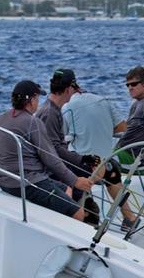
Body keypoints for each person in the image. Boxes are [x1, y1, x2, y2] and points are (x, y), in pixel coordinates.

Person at [0, 80, 94, 222]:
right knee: (79, 213)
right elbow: (51, 160)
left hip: (5, 181)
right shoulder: (33, 123)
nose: (38, 102)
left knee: (67, 189)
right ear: (31, 100)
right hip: (29, 183)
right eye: (37, 98)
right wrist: (76, 180)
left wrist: (2, 156)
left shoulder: (0, 118)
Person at [60, 71, 139, 230]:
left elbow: (60, 137)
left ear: (66, 90)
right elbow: (122, 128)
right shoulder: (103, 101)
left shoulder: (67, 107)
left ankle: (81, 220)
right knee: (111, 171)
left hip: (84, 168)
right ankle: (129, 218)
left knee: (65, 170)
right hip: (106, 165)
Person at [35, 69, 101, 224]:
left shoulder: (53, 110)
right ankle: (128, 219)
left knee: (101, 167)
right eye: (73, 90)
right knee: (108, 170)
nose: (73, 94)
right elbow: (53, 150)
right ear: (67, 89)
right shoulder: (49, 113)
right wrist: (82, 159)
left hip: (58, 164)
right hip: (52, 170)